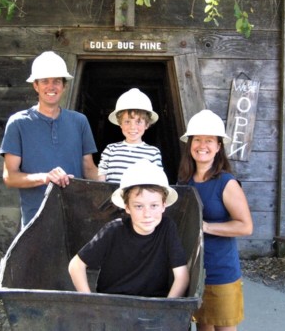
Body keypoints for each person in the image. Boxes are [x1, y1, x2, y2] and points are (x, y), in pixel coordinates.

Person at [0, 51, 99, 227]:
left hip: (75, 218)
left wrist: (120, 187)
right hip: (35, 221)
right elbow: (10, 177)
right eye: (45, 81)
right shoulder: (18, 123)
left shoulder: (79, 121)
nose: (51, 86)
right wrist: (46, 178)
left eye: (56, 81)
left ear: (64, 86)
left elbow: (89, 169)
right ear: (35, 86)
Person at [177, 109, 253, 331]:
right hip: (194, 271)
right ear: (190, 144)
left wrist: (206, 227)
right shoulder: (185, 181)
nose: (202, 145)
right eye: (197, 139)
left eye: (209, 140)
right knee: (202, 328)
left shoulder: (226, 183)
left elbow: (246, 226)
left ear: (219, 146)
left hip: (221, 271)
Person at [69, 160, 189, 298]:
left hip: (154, 306)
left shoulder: (167, 229)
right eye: (139, 206)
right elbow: (76, 265)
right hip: (114, 304)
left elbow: (182, 276)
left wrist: (167, 308)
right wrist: (90, 302)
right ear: (127, 207)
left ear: (163, 205)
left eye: (154, 205)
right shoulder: (113, 230)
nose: (147, 214)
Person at [97, 88, 162, 183]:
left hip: (139, 198)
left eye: (138, 122)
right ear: (120, 124)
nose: (133, 127)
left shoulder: (153, 153)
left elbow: (157, 181)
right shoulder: (110, 150)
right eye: (127, 121)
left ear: (147, 124)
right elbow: (101, 181)